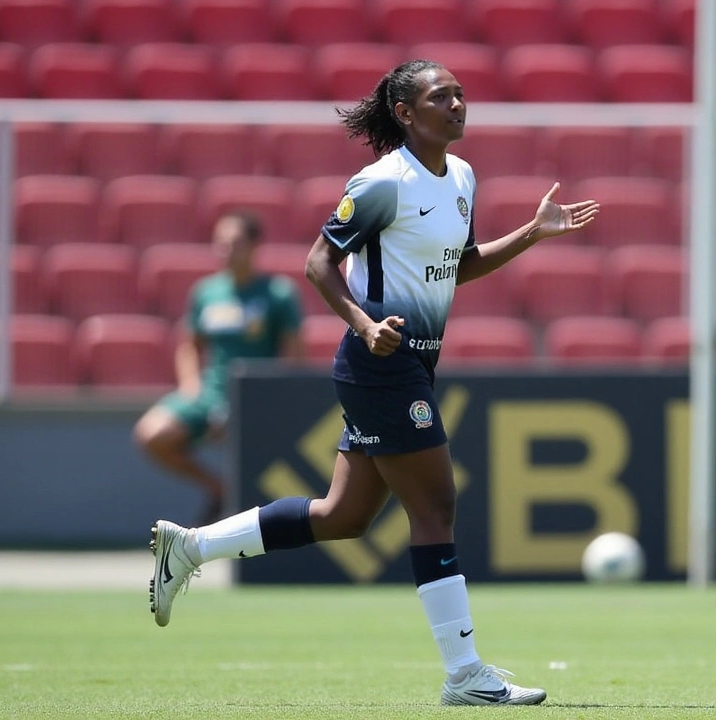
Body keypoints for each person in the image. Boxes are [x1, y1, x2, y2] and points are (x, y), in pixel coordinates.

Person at [148, 59, 598, 706]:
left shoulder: (463, 177)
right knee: (435, 505)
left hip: (409, 363)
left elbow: (456, 267)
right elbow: (318, 262)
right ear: (407, 114)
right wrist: (362, 324)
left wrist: (531, 232)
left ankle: (190, 548)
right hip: (379, 364)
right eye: (440, 96)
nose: (457, 103)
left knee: (344, 516)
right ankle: (466, 673)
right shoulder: (383, 181)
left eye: (460, 94)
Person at [134, 211, 304, 526]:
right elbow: (189, 346)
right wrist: (190, 385)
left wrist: (271, 400)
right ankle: (221, 490)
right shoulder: (206, 292)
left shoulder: (278, 294)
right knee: (151, 434)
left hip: (255, 394)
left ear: (254, 246)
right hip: (211, 391)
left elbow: (293, 358)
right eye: (220, 243)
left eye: (234, 243)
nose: (225, 250)